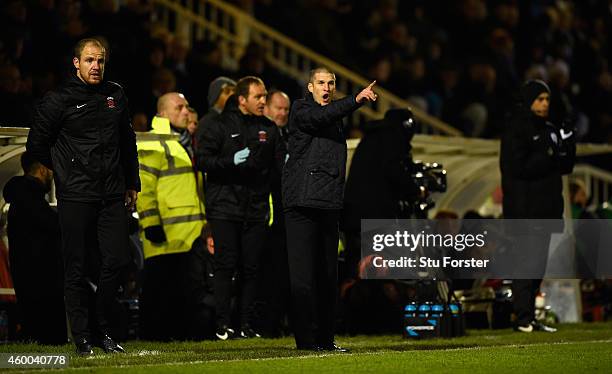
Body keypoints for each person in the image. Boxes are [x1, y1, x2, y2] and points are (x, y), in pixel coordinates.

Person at [26, 38, 140, 355]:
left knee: (117, 260)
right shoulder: (58, 99)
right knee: (75, 267)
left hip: (113, 194)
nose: (95, 66)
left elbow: (127, 143)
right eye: (89, 60)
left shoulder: (115, 94)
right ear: (76, 63)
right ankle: (83, 338)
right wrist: (65, 170)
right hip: (76, 194)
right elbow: (36, 145)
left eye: (100, 61)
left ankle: (102, 329)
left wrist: (133, 183)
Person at [282, 67, 377, 351]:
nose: (326, 87)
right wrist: (354, 101)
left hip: (328, 205)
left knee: (327, 277)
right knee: (303, 278)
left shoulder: (335, 119)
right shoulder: (301, 110)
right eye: (321, 82)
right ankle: (307, 341)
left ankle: (325, 339)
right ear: (310, 87)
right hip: (301, 204)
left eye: (331, 83)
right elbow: (320, 116)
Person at [197, 76, 285, 340]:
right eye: (258, 97)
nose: (263, 101)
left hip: (256, 209)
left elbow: (280, 169)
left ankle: (246, 325)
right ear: (242, 99)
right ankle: (222, 325)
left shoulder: (269, 129)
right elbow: (202, 161)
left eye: (264, 96)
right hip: (225, 207)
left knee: (251, 268)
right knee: (226, 265)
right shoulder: (219, 125)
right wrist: (229, 161)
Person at [500, 79, 575, 333]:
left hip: (546, 209)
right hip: (525, 211)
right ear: (529, 100)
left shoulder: (549, 129)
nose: (544, 104)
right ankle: (521, 317)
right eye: (539, 99)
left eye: (547, 99)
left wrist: (568, 142)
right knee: (526, 264)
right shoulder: (516, 129)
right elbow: (518, 167)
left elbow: (565, 166)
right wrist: (549, 154)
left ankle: (529, 316)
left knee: (538, 266)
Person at [137, 92, 205, 341]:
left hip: (190, 231)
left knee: (184, 291)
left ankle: (178, 335)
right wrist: (151, 222)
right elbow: (144, 186)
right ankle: (152, 337)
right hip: (165, 232)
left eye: (187, 107)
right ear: (163, 113)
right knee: (159, 289)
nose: (186, 112)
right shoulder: (152, 141)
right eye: (179, 108)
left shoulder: (184, 142)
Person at [341, 108, 421, 280]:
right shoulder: (392, 139)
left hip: (352, 217)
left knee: (354, 268)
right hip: (375, 219)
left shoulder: (370, 138)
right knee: (394, 266)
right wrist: (415, 190)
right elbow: (394, 171)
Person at [2, 151, 67, 345]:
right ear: (41, 168)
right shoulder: (31, 200)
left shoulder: (22, 199)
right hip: (42, 282)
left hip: (29, 279)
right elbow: (54, 226)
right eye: (50, 169)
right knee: (48, 340)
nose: (52, 174)